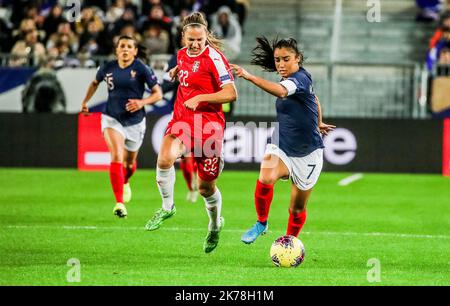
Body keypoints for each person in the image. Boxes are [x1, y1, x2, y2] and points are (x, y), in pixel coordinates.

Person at [144, 12, 237, 254]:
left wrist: (200, 97)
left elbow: (230, 93)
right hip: (182, 122)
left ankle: (215, 225)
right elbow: (186, 68)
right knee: (164, 158)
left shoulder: (215, 59)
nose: (195, 45)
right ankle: (167, 206)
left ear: (206, 36)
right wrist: (175, 72)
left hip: (208, 129)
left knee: (206, 189)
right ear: (183, 36)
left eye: (199, 40)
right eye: (191, 40)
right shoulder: (182, 54)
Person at [230, 37, 335, 244]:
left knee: (296, 208)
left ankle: (289, 242)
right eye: (277, 60)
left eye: (285, 59)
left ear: (298, 59)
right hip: (282, 143)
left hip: (308, 153)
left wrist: (250, 77)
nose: (280, 64)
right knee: (265, 177)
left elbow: (281, 91)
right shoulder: (299, 79)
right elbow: (314, 99)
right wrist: (319, 121)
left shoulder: (300, 79)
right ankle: (261, 222)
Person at [80, 35, 163, 218]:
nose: (125, 49)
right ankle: (119, 203)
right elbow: (94, 83)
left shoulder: (141, 68)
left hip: (135, 122)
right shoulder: (107, 67)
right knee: (117, 155)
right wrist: (86, 102)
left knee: (130, 163)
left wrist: (142, 103)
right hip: (112, 118)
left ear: (135, 51)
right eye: (122, 46)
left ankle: (125, 181)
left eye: (129, 47)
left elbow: (158, 94)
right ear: (116, 50)